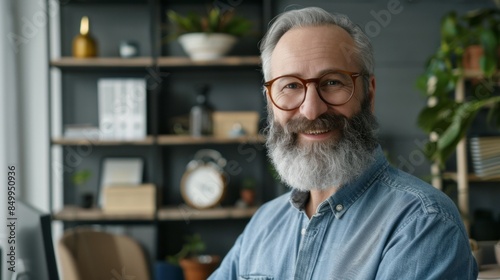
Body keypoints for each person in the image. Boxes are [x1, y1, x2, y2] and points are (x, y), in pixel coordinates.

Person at [209, 6, 478, 280]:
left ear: (368, 95)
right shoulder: (264, 223)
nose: (311, 110)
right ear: (270, 101)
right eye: (290, 86)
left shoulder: (422, 223)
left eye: (332, 82)